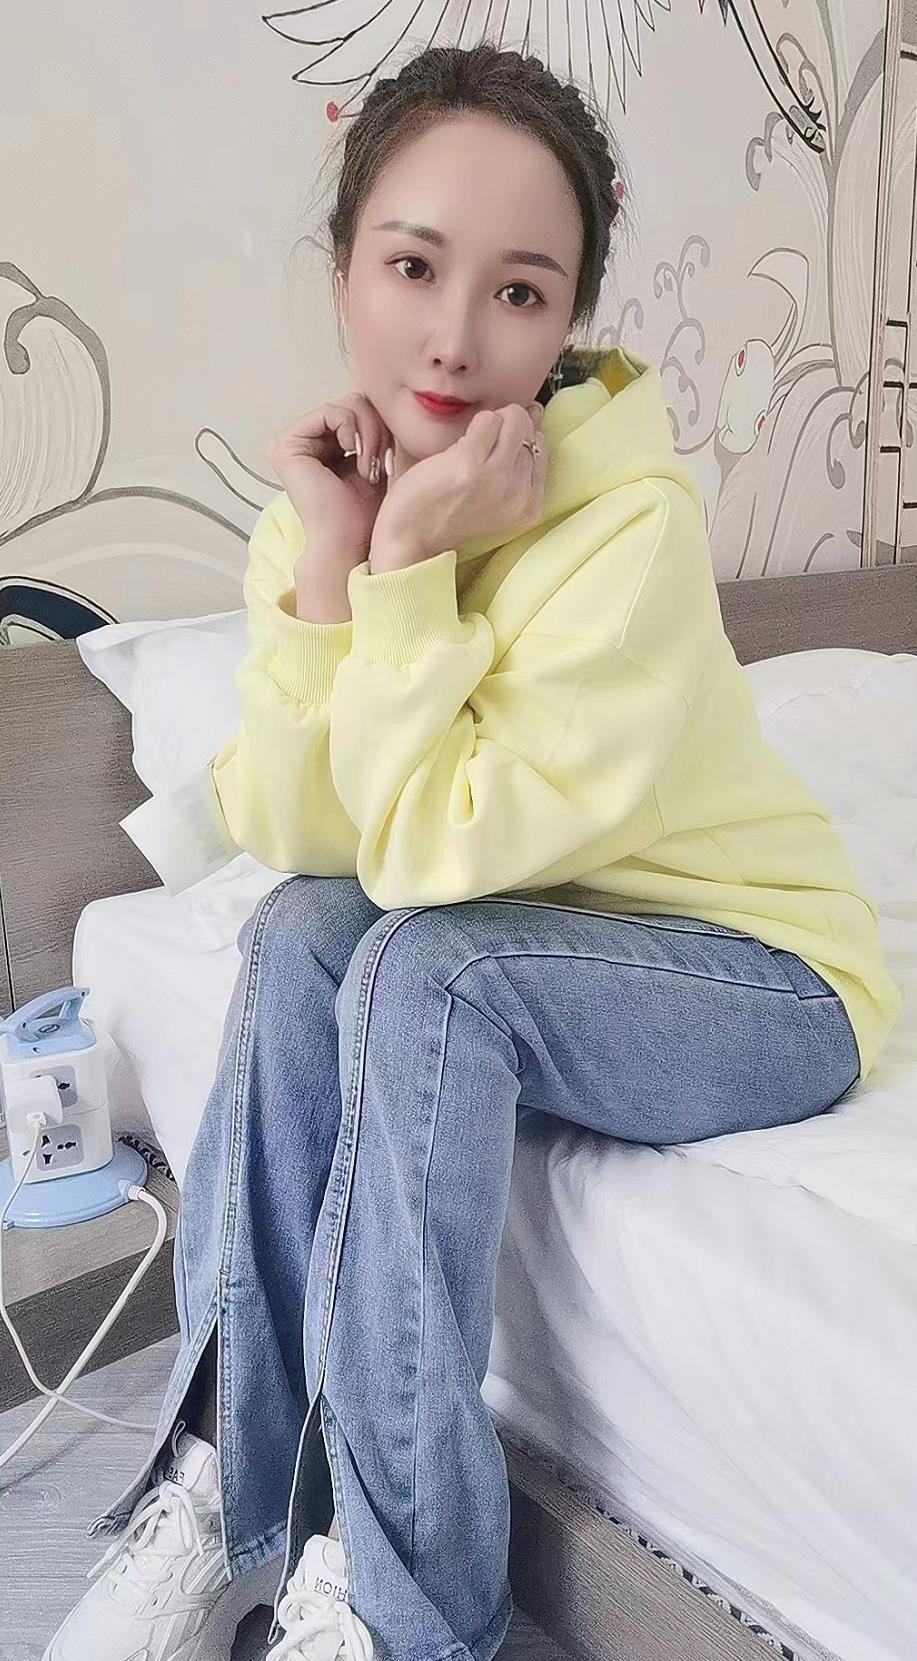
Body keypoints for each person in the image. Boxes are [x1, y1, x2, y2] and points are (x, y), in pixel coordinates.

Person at [43, 39, 901, 1661]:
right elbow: (309, 839)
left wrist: (413, 565)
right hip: (533, 945)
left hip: (766, 980)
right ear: (342, 271)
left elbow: (434, 860)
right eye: (412, 266)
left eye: (518, 291)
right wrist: (338, 558)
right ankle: (222, 1491)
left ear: (569, 316)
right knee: (301, 929)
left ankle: (405, 1612)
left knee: (425, 972)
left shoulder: (628, 525)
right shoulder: (327, 505)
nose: (452, 335)